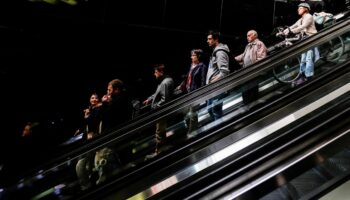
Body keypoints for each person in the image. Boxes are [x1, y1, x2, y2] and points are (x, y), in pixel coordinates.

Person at [280, 3, 319, 86]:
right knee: (303, 58)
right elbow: (293, 26)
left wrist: (291, 31)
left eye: (300, 8)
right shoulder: (301, 19)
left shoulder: (309, 16)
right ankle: (302, 75)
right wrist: (283, 32)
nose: (298, 9)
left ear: (306, 9)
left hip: (311, 39)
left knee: (308, 58)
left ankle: (309, 76)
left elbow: (302, 27)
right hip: (304, 40)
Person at [143, 64, 174, 156]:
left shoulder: (165, 82)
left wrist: (155, 107)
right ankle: (160, 151)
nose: (154, 74)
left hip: (161, 112)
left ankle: (159, 153)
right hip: (161, 111)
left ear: (161, 72)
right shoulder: (165, 80)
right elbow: (158, 93)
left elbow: (164, 100)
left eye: (156, 72)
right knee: (160, 132)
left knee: (159, 132)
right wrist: (150, 99)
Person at [176, 49, 207, 133]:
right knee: (186, 114)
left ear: (198, 56)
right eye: (191, 55)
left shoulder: (202, 66)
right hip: (188, 93)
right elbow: (188, 78)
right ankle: (193, 129)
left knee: (193, 114)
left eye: (193, 55)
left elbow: (203, 81)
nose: (191, 57)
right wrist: (181, 85)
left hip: (195, 94)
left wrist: (201, 94)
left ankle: (192, 133)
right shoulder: (191, 65)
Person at [75, 93, 102, 190]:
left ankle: (85, 186)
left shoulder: (98, 109)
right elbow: (85, 125)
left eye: (96, 98)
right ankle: (89, 184)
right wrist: (80, 129)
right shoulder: (90, 110)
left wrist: (87, 117)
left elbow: (92, 123)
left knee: (80, 165)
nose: (94, 99)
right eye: (92, 98)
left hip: (94, 139)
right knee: (87, 164)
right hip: (87, 140)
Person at [235, 30, 267, 104]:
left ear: (255, 35)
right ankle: (247, 106)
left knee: (252, 91)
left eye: (249, 35)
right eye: (247, 36)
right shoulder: (248, 45)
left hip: (254, 73)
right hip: (247, 73)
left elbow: (262, 58)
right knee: (245, 91)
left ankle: (253, 107)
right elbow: (243, 56)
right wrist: (233, 59)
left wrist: (253, 68)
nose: (247, 37)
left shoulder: (259, 44)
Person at [206, 30, 230, 120]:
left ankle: (219, 130)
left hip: (217, 87)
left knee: (215, 110)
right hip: (213, 87)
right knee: (211, 110)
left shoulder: (220, 52)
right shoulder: (215, 51)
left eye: (210, 39)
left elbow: (224, 72)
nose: (207, 41)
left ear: (216, 40)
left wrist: (214, 81)